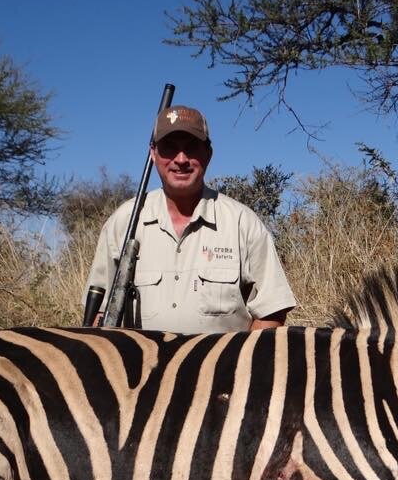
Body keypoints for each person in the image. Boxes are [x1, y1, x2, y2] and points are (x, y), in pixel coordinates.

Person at [85, 105, 296, 334]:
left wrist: (242, 365)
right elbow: (99, 314)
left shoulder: (242, 222)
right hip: (140, 369)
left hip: (221, 370)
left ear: (208, 154)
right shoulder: (124, 222)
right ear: (153, 154)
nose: (181, 159)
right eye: (170, 149)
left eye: (191, 148)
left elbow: (271, 311)